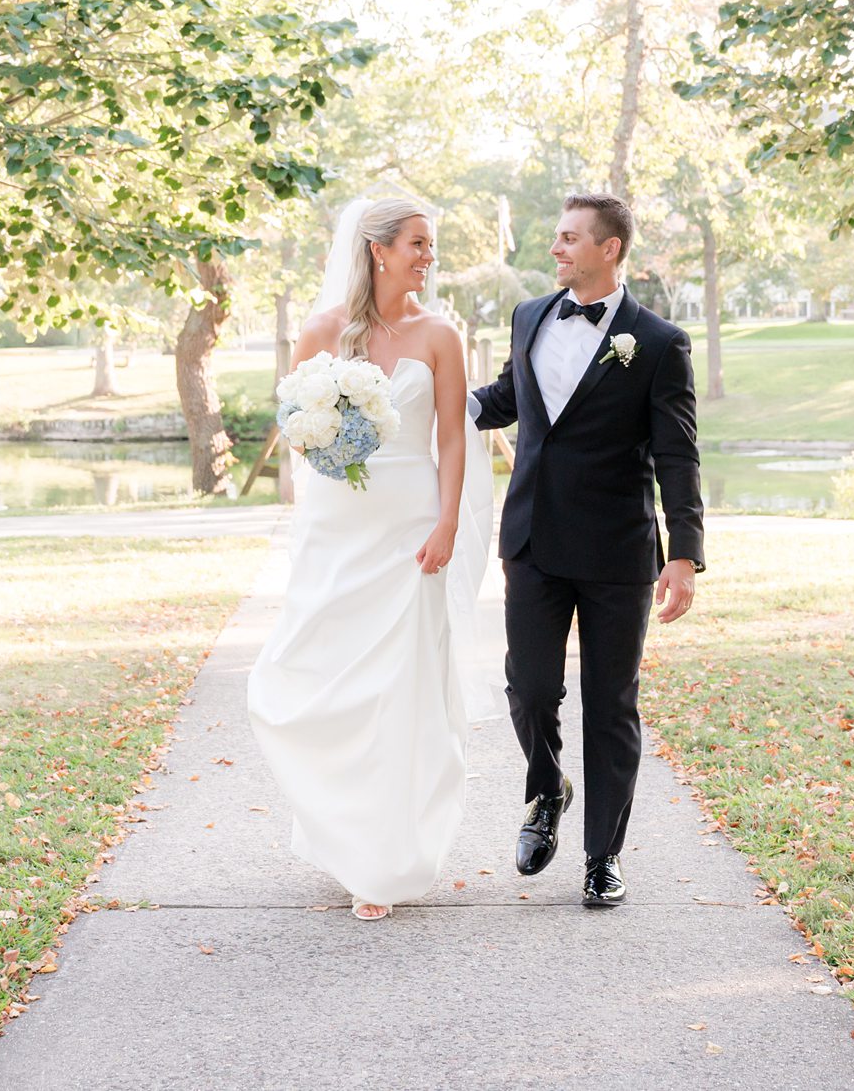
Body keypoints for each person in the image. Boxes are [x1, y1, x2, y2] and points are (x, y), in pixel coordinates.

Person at [245, 199, 500, 921]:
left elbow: (453, 439)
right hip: (337, 525)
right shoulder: (323, 331)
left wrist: (449, 519)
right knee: (312, 681)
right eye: (418, 243)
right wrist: (326, 434)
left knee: (399, 690)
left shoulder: (440, 335)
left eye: (431, 244)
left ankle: (378, 864)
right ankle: (340, 830)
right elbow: (295, 426)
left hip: (411, 527)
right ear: (378, 250)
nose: (428, 255)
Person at [470, 192, 703, 908]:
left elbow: (678, 453)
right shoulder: (530, 316)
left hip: (617, 548)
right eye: (557, 236)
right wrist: (425, 400)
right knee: (530, 687)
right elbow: (509, 396)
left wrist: (685, 551)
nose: (556, 249)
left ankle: (602, 854)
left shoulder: (658, 342)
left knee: (611, 704)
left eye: (570, 238)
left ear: (610, 249)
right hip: (534, 539)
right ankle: (547, 790)